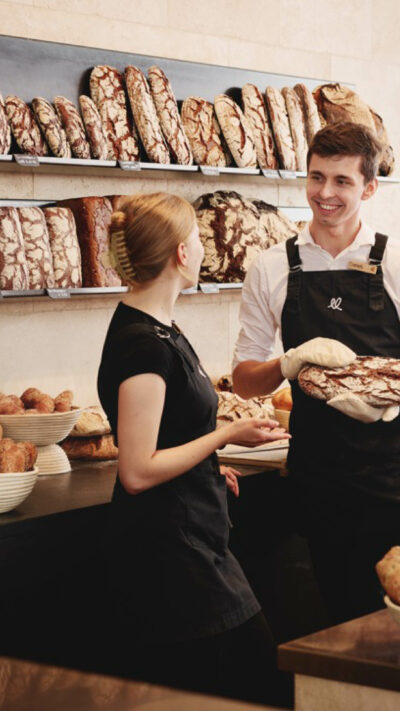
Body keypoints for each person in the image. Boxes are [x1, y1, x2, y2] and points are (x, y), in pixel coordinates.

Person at [232, 122, 400, 627]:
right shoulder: (270, 268)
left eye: (342, 181)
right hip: (319, 484)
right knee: (341, 633)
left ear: (369, 188)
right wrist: (286, 363)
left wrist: (394, 396)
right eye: (316, 177)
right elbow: (244, 380)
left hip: (397, 480)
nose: (324, 194)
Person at [97, 192, 291, 706]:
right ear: (182, 255)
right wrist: (226, 436)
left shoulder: (162, 329)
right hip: (169, 557)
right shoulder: (144, 346)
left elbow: (170, 435)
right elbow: (137, 470)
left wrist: (209, 464)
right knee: (257, 681)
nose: (204, 250)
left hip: (191, 536)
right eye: (198, 240)